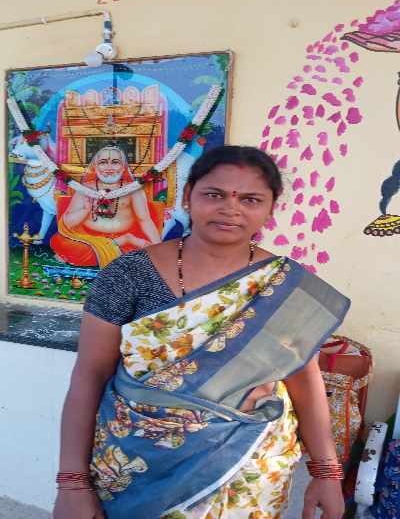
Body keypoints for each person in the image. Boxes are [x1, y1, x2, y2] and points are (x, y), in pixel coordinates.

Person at [53, 145, 349, 519]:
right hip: (136, 465)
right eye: (214, 194)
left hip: (248, 470)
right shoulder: (128, 275)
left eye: (250, 199)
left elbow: (304, 377)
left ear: (270, 209)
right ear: (188, 196)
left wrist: (326, 472)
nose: (231, 208)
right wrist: (72, 483)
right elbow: (89, 376)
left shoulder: (284, 285)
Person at [50, 146, 162, 268]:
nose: (109, 167)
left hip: (122, 239)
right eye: (103, 162)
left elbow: (144, 220)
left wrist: (159, 246)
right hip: (89, 239)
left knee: (136, 252)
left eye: (115, 162)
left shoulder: (133, 189)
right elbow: (67, 223)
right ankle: (121, 242)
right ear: (95, 166)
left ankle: (122, 242)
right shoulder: (85, 189)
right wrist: (85, 210)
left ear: (123, 167)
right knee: (58, 241)